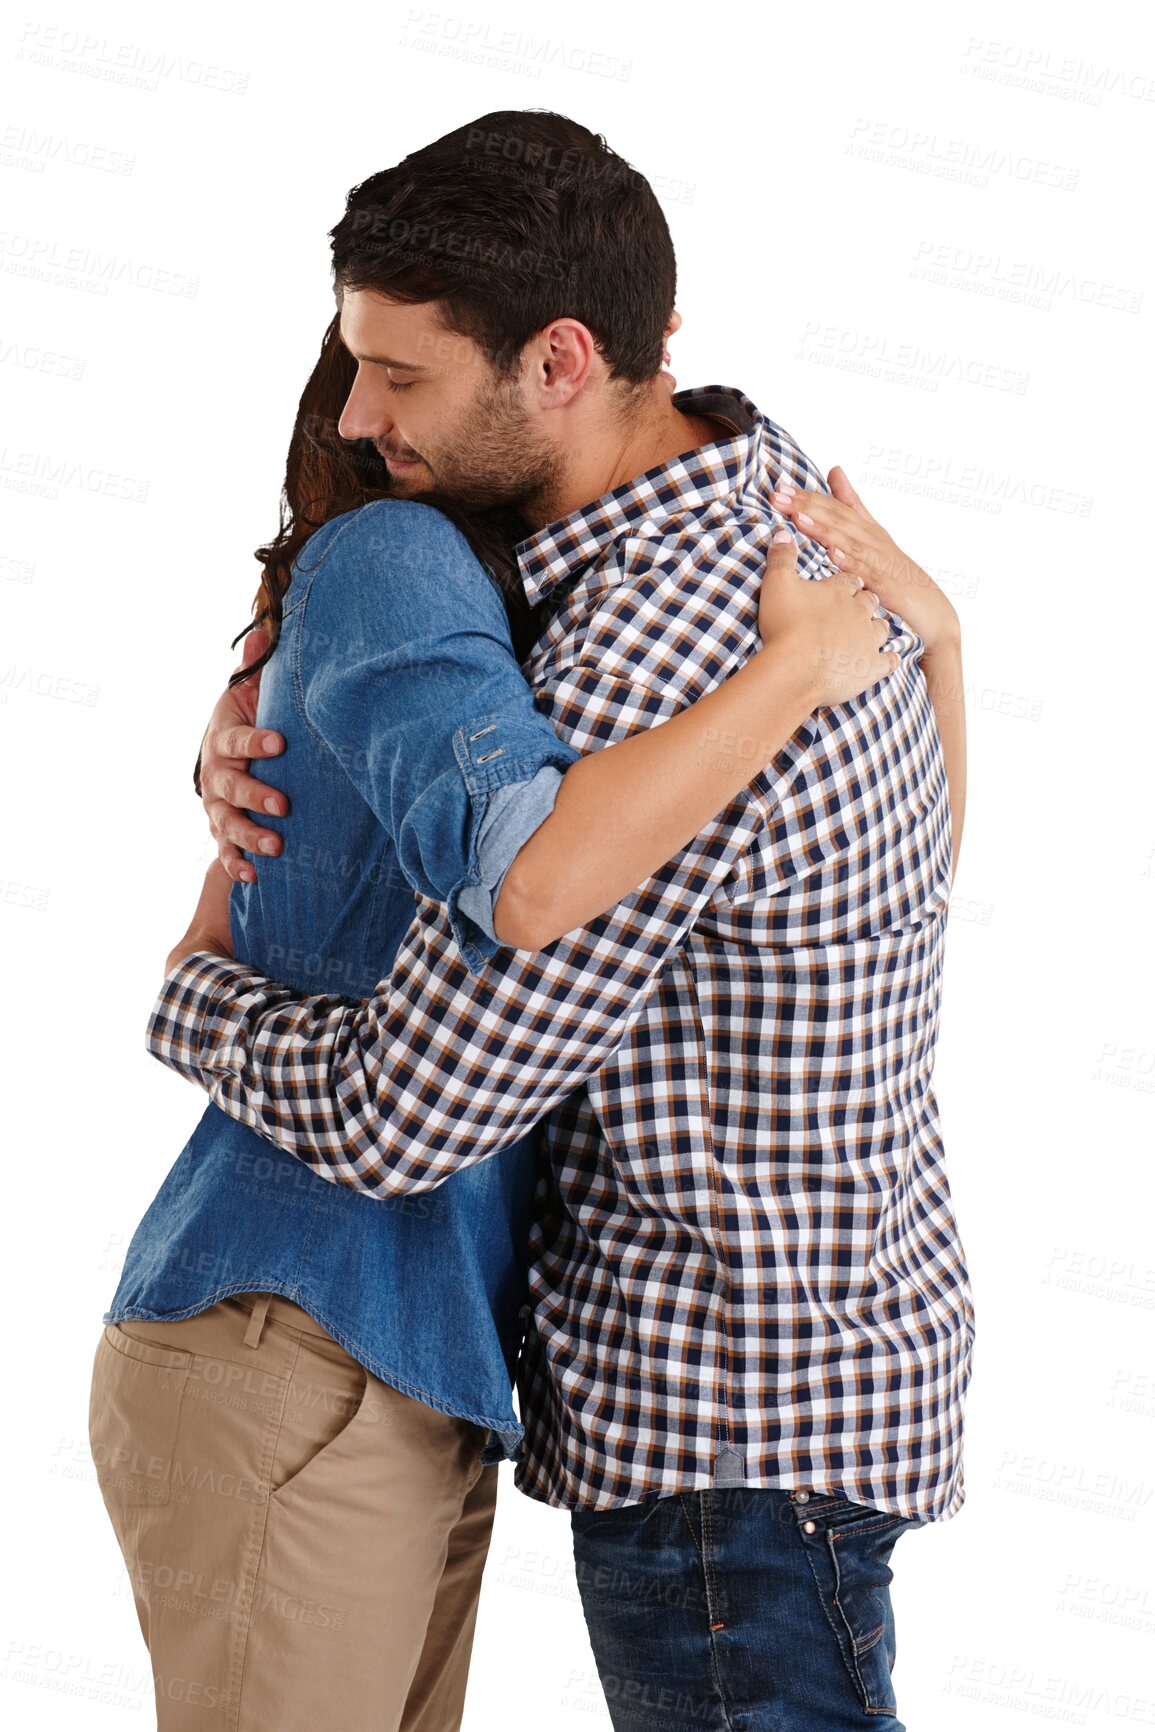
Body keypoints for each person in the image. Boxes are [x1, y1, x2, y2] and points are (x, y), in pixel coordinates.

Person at [139, 110, 972, 1732]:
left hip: (724, 1419)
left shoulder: (657, 659)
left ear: (564, 360)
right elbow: (907, 892)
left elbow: (412, 1109)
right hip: (810, 1383)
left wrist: (189, 994)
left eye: (404, 377)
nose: (361, 417)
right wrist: (279, 712)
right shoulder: (770, 495)